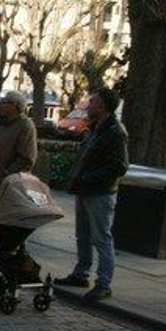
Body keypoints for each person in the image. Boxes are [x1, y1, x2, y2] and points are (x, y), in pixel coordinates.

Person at [56, 88, 128, 303]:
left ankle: (104, 283)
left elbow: (120, 166)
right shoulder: (96, 128)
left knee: (101, 238)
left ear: (103, 106)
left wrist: (89, 178)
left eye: (93, 101)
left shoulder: (115, 132)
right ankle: (81, 273)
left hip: (100, 192)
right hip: (85, 189)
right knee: (84, 235)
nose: (88, 104)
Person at [0, 91, 38, 183]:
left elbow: (26, 158)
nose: (1, 106)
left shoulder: (25, 126)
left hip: (10, 182)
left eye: (4, 103)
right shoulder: (4, 124)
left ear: (14, 106)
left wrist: (7, 174)